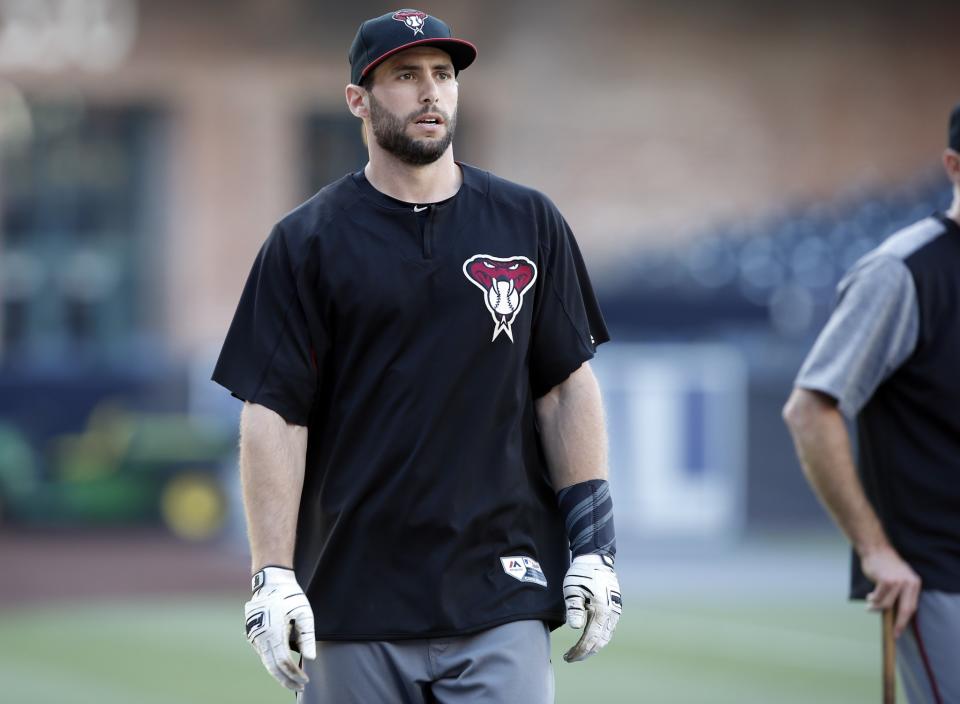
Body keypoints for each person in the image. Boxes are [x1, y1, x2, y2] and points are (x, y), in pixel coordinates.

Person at [212, 9, 621, 703]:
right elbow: (274, 415)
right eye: (406, 76)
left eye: (443, 75)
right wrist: (272, 574)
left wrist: (595, 547)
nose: (431, 92)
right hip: (351, 597)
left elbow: (565, 387)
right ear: (358, 100)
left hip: (503, 590)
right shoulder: (306, 241)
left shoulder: (528, 221)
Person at [783, 102, 960, 704]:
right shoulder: (903, 270)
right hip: (939, 577)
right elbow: (810, 409)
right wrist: (876, 550)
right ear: (953, 166)